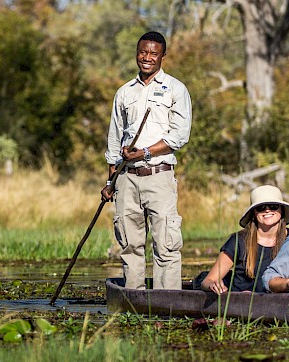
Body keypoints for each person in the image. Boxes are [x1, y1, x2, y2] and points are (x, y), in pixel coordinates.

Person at [100, 31, 192, 290]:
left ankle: (168, 304)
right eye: (143, 52)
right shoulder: (124, 92)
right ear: (136, 53)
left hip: (159, 176)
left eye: (153, 53)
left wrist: (145, 153)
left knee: (166, 245)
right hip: (127, 179)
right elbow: (114, 141)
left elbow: (179, 136)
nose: (147, 58)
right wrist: (110, 182)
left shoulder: (175, 89)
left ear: (163, 55)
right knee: (129, 245)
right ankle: (133, 302)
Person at [198, 185, 289, 294]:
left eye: (273, 206)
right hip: (241, 303)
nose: (267, 210)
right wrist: (213, 285)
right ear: (254, 213)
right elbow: (208, 281)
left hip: (281, 303)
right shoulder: (238, 241)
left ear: (282, 210)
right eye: (261, 207)